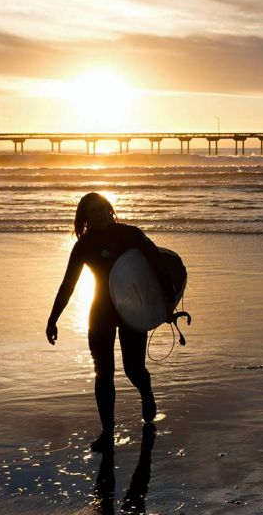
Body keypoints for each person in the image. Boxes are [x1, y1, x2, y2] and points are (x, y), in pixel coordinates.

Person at [47, 192, 175, 452]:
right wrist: (53, 318)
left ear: (109, 210)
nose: (96, 215)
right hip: (101, 311)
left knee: (132, 369)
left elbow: (157, 263)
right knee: (103, 373)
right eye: (90, 212)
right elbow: (68, 284)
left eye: (100, 209)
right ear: (85, 218)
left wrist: (167, 304)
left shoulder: (130, 234)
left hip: (132, 312)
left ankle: (146, 391)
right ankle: (107, 432)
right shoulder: (84, 245)